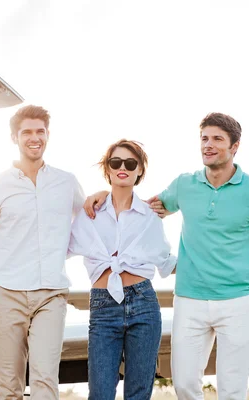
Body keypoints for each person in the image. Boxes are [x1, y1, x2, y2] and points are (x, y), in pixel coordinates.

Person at [84, 113, 249, 400]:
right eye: (204, 138)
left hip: (237, 301)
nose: (209, 145)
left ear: (235, 146)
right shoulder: (184, 185)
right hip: (190, 299)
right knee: (183, 385)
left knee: (232, 390)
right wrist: (103, 195)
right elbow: (138, 208)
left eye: (217, 139)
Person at [0, 104, 86, 400]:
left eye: (40, 131)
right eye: (27, 132)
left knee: (44, 381)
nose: (34, 137)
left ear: (48, 135)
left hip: (51, 293)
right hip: (6, 295)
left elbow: (90, 223)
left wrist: (62, 250)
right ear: (14, 137)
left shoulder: (66, 182)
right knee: (9, 387)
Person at [69, 139, 176, 400]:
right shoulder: (90, 212)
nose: (123, 168)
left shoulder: (151, 215)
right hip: (103, 306)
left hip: (143, 303)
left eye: (131, 163)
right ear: (107, 169)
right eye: (115, 162)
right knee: (100, 392)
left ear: (139, 170)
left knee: (138, 393)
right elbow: (60, 247)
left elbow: (166, 261)